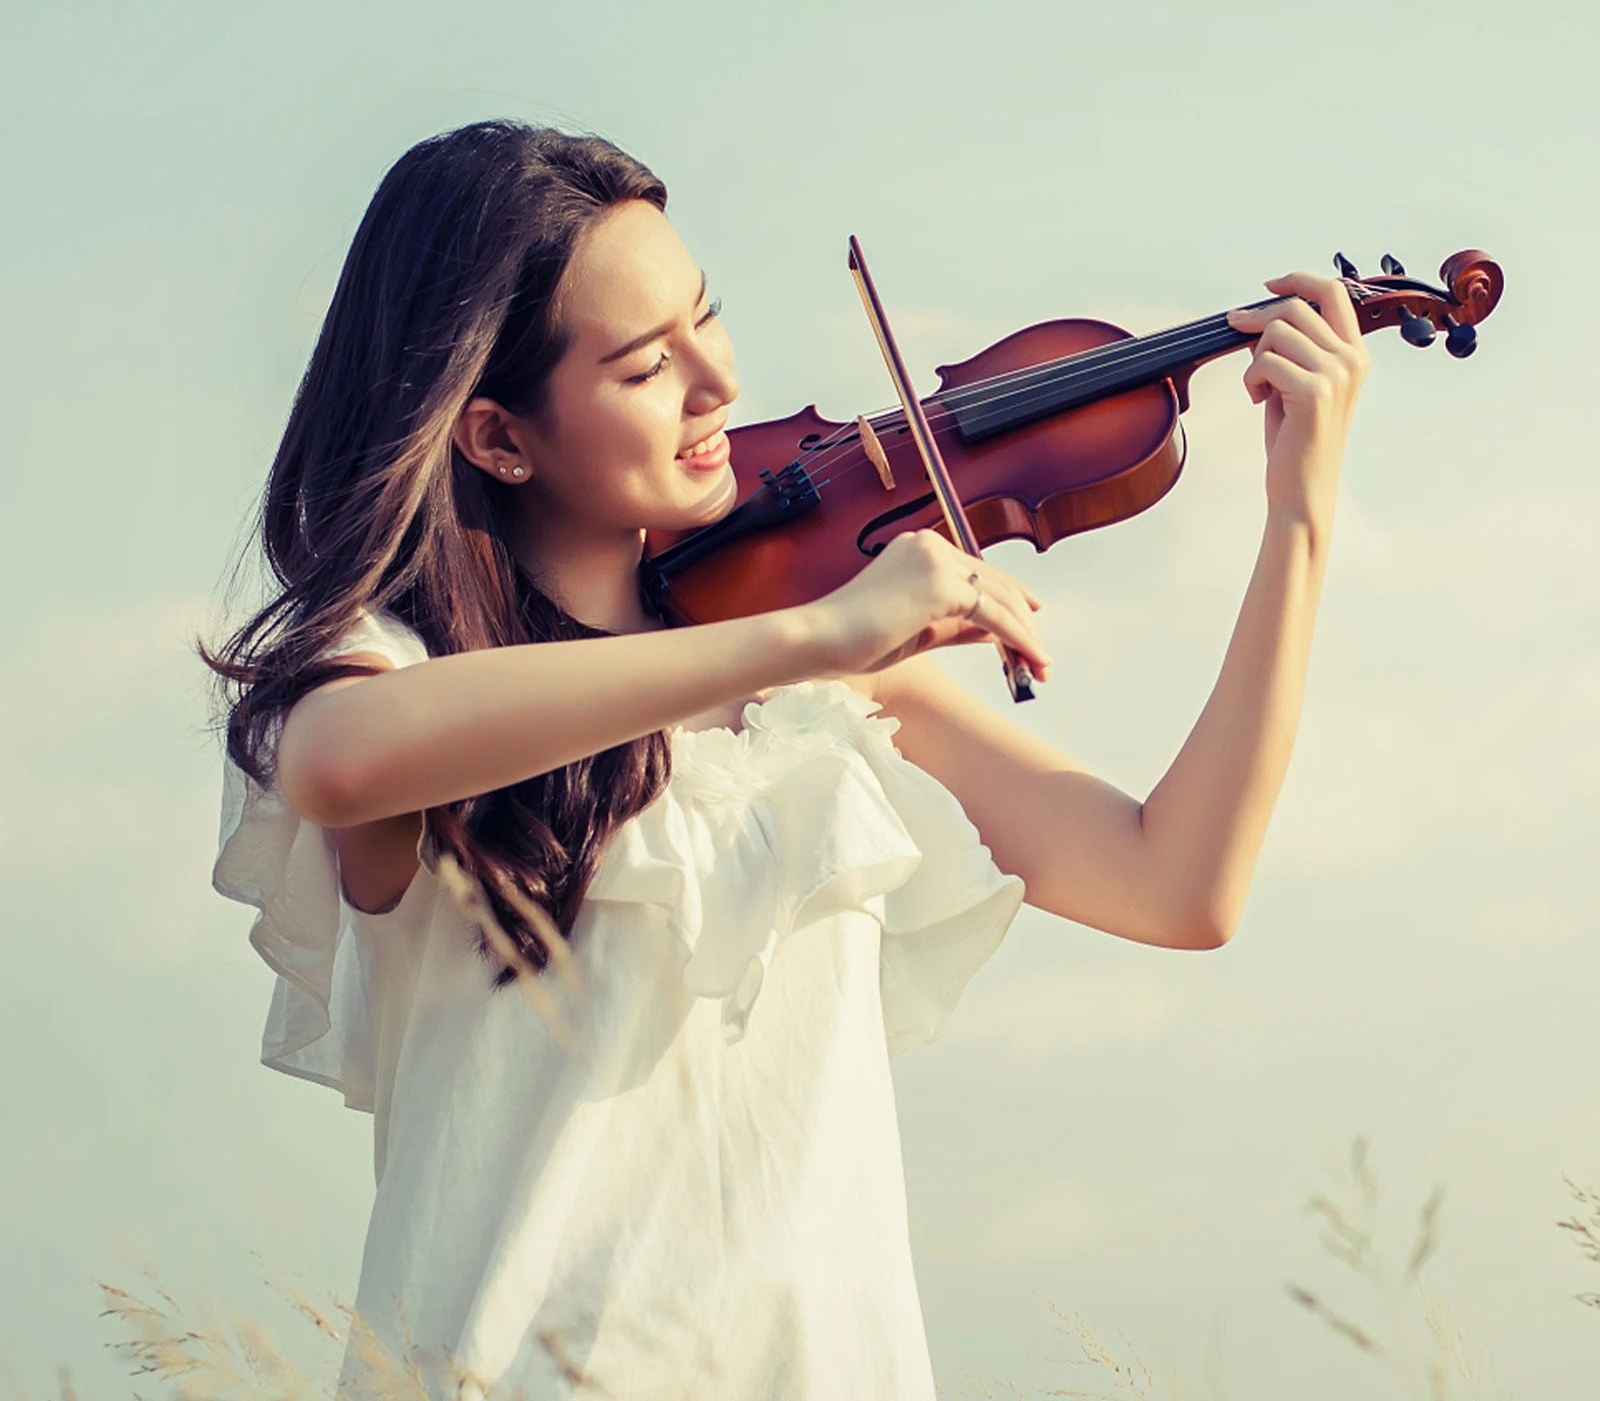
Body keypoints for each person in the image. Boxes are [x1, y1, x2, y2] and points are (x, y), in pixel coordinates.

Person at [202, 119, 1368, 1400]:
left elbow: (1176, 883)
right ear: (496, 436)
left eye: (709, 319)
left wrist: (1298, 513)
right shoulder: (420, 669)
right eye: (647, 366)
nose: (717, 385)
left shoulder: (816, 678)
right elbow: (335, 762)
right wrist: (812, 631)